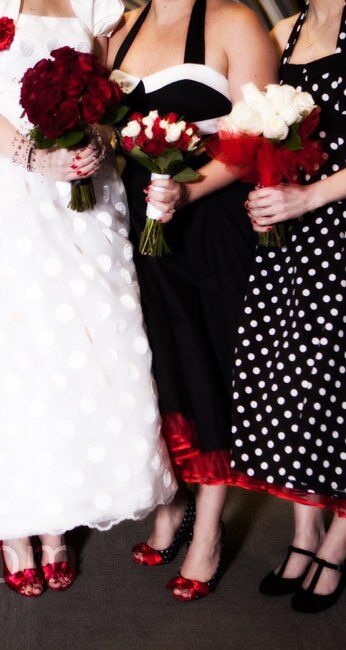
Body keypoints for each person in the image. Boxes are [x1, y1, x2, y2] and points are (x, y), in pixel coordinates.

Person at [0, 0, 177, 599]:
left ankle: (57, 520)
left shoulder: (96, 2)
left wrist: (99, 144)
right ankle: (14, 526)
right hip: (5, 185)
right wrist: (31, 155)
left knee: (78, 345)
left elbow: (107, 94)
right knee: (11, 342)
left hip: (85, 190)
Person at [108, 0, 278, 601]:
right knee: (159, 369)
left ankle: (208, 528)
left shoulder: (235, 21)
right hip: (134, 221)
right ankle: (173, 500)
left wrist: (188, 188)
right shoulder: (119, 29)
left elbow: (257, 128)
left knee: (210, 368)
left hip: (209, 224)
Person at [231, 0, 345, 614]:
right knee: (291, 382)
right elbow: (260, 134)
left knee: (337, 385)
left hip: (336, 223)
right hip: (292, 240)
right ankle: (305, 535)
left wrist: (312, 197)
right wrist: (266, 190)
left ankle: (338, 545)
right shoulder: (285, 29)